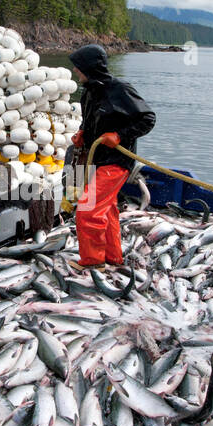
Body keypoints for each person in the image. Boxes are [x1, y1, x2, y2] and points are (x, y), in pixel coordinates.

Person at [69, 44, 156, 269]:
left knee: (87, 210)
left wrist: (119, 135)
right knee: (107, 210)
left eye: (79, 68)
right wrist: (82, 134)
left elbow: (147, 119)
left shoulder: (120, 89)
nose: (76, 72)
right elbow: (90, 120)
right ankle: (113, 258)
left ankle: (92, 263)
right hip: (99, 159)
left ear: (89, 68)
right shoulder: (89, 91)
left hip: (117, 162)